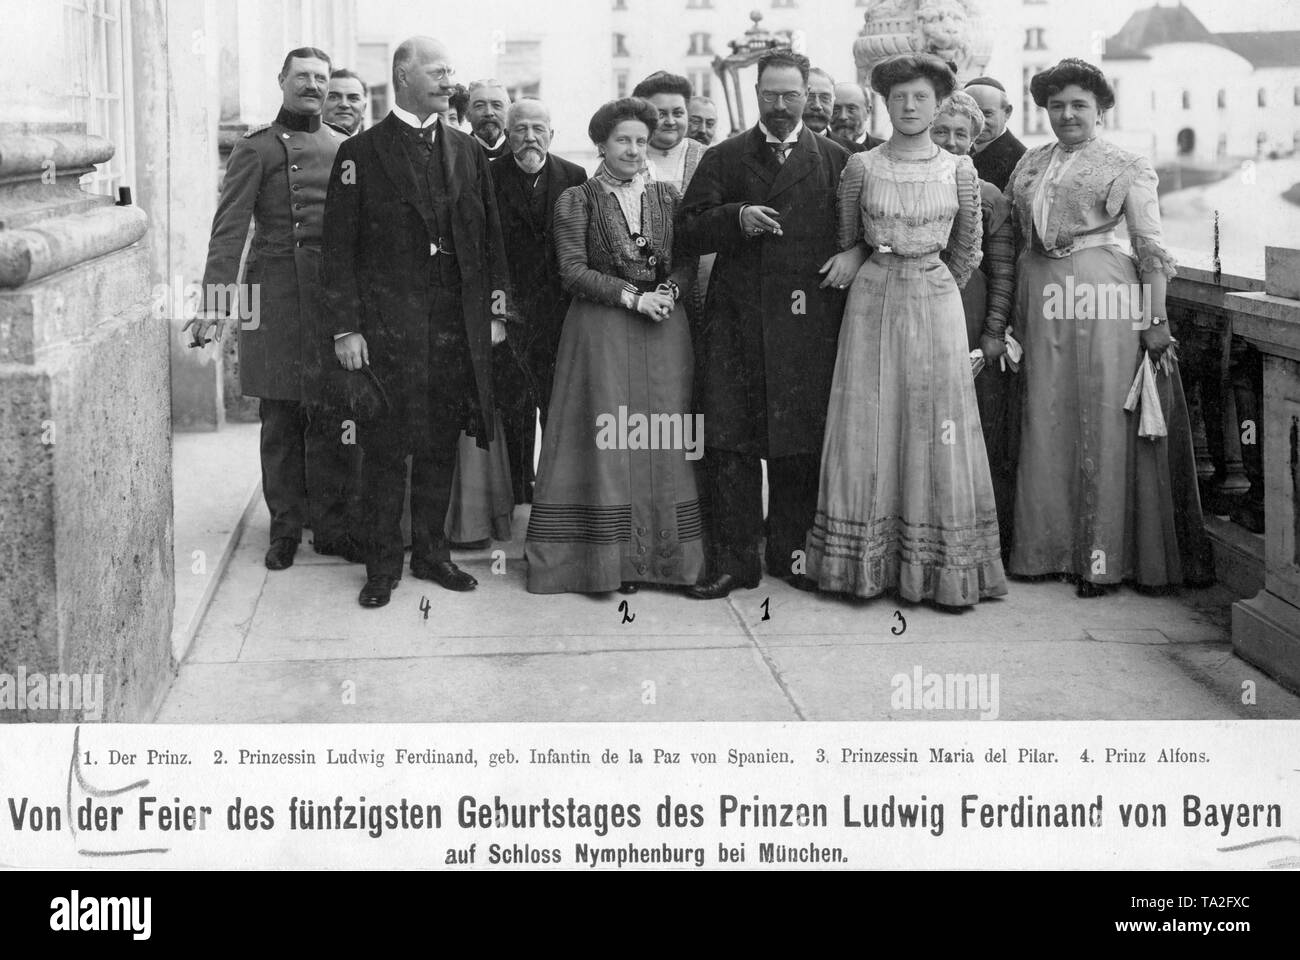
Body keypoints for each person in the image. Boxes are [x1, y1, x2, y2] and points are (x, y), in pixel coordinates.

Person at [804, 53, 1006, 609]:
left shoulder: (960, 170)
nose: (910, 106)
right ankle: (861, 564)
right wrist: (881, 265)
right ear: (885, 103)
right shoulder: (860, 167)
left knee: (934, 420)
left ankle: (937, 567)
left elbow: (967, 250)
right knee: (869, 419)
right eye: (899, 98)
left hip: (936, 299)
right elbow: (848, 237)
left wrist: (930, 282)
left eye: (920, 97)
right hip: (872, 296)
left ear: (938, 104)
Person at [1005, 58, 1212, 597]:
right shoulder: (1029, 163)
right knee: (1045, 417)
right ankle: (1044, 552)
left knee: (1100, 415)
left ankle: (1101, 560)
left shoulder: (1127, 164)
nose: (1067, 114)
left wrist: (1155, 320)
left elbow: (1150, 247)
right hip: (1038, 294)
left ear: (1100, 110)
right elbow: (1010, 232)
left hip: (1102, 294)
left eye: (1079, 105)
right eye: (1056, 106)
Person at [322, 36, 512, 608]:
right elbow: (337, 250)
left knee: (439, 444)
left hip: (456, 328)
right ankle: (382, 566)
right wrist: (345, 329)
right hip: (386, 331)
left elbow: (490, 237)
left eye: (452, 69)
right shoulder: (360, 153)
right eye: (437, 70)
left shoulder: (467, 149)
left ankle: (432, 554)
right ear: (403, 75)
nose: (449, 80)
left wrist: (497, 310)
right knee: (384, 447)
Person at [675, 50, 851, 600]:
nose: (780, 106)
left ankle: (791, 555)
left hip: (807, 323)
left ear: (808, 96)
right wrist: (737, 218)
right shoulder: (725, 157)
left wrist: (858, 255)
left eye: (790, 96)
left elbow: (863, 228)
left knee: (799, 444)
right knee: (732, 442)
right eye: (770, 96)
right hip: (737, 321)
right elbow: (688, 229)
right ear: (756, 95)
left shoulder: (838, 160)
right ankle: (735, 563)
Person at [525, 98, 704, 595]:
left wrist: (667, 292)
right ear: (601, 144)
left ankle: (664, 562)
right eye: (623, 140)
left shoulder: (668, 197)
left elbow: (685, 260)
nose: (633, 149)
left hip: (664, 331)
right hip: (601, 330)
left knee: (663, 435)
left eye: (641, 141)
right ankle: (608, 562)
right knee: (610, 436)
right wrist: (633, 298)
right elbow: (573, 270)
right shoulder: (576, 200)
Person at [191, 46, 360, 571]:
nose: (312, 85)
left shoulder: (346, 148)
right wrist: (215, 307)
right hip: (273, 293)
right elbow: (229, 230)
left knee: (331, 412)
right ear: (282, 80)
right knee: (281, 414)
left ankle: (330, 528)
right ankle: (284, 529)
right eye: (303, 76)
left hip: (330, 295)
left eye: (320, 78)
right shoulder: (257, 148)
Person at [932, 90, 1019, 561]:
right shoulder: (904, 182)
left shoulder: (989, 197)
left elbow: (1003, 271)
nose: (949, 141)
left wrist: (991, 335)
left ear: (975, 138)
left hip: (971, 308)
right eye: (939, 131)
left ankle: (977, 539)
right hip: (918, 309)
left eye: (960, 134)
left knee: (976, 425)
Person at [491, 98, 588, 433]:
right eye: (520, 129)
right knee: (514, 414)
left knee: (558, 410)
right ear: (507, 134)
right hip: (510, 317)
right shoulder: (487, 177)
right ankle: (521, 488)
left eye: (538, 129)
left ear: (551, 133)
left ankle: (553, 487)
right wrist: (496, 313)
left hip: (558, 314)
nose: (530, 137)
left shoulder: (574, 176)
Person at [632, 72, 705, 193]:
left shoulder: (709, 157)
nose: (671, 122)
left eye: (677, 113)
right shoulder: (622, 158)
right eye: (661, 114)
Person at [964, 77, 1024, 191]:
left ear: (1007, 113)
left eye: (987, 113)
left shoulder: (1021, 161)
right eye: (969, 114)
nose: (978, 122)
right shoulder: (960, 150)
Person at [829, 81, 884, 153]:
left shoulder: (886, 152)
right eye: (836, 109)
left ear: (868, 111)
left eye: (851, 109)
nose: (843, 116)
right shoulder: (819, 149)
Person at [465, 79, 511, 158]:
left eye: (496, 105)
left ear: (509, 112)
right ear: (467, 114)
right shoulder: (456, 154)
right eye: (479, 106)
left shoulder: (520, 152)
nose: (489, 113)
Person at [324, 68, 368, 135]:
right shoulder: (304, 144)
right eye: (334, 97)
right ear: (320, 105)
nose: (344, 104)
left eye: (353, 98)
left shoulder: (378, 145)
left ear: (364, 108)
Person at [802, 67, 835, 135]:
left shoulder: (846, 146)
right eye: (809, 97)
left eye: (825, 98)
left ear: (833, 102)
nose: (817, 105)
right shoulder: (778, 144)